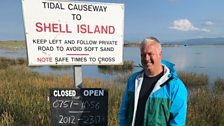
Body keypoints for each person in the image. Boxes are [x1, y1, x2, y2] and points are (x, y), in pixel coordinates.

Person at [120, 37, 188, 126]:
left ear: (160, 54)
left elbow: (177, 121)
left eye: (150, 54)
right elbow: (124, 111)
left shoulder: (175, 86)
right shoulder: (134, 79)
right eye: (143, 55)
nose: (146, 58)